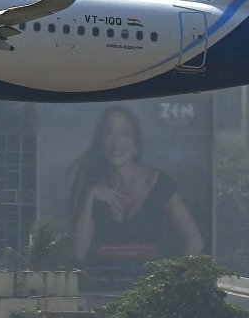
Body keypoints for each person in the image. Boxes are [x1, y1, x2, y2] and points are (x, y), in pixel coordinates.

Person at [68, 106, 203, 265]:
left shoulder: (159, 183)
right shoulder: (92, 187)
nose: (116, 142)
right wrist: (90, 196)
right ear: (100, 141)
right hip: (100, 285)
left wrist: (175, 279)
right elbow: (77, 254)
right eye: (108, 133)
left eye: (125, 133)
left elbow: (195, 241)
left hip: (151, 286)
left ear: (136, 144)